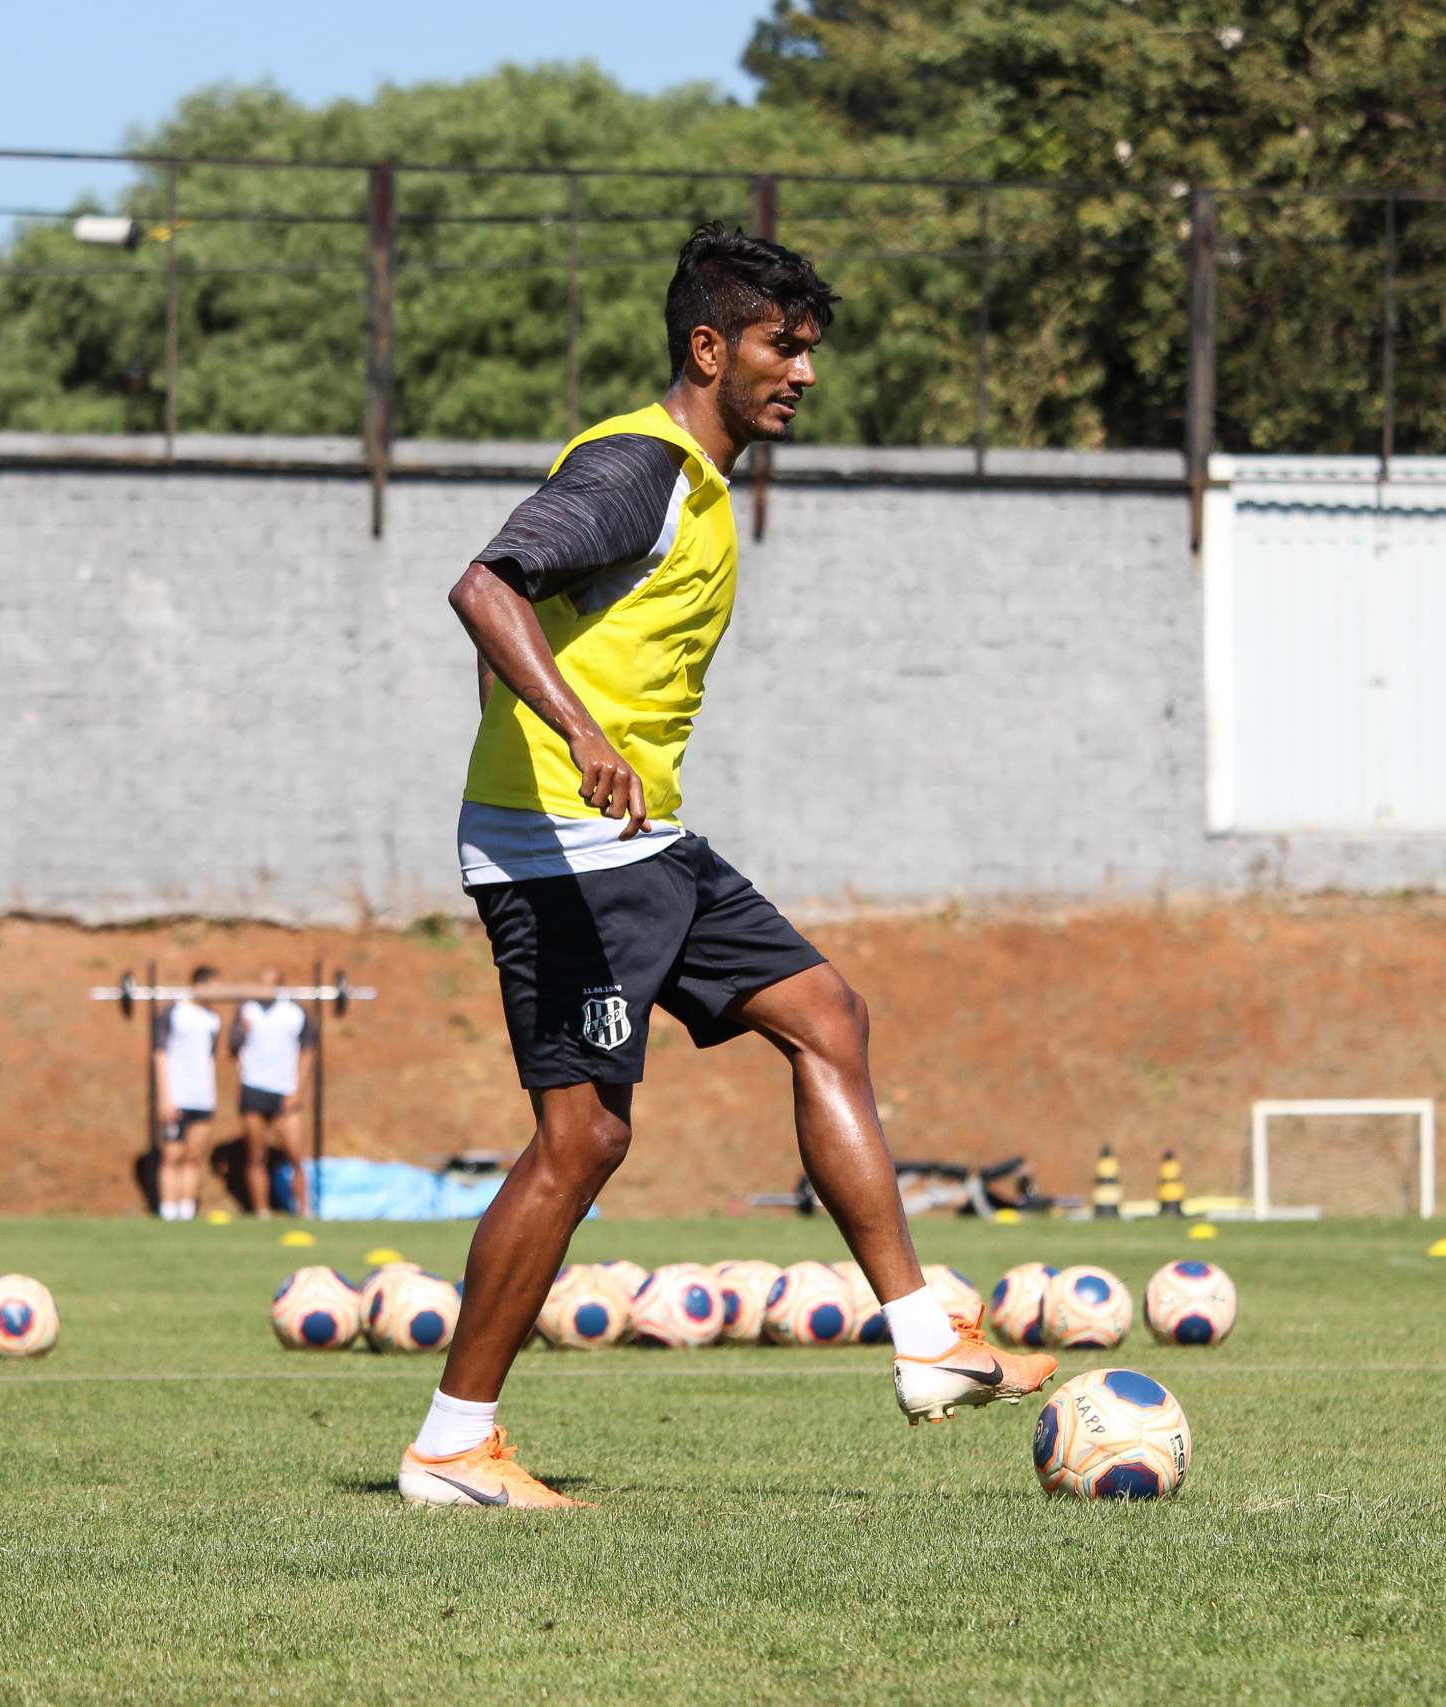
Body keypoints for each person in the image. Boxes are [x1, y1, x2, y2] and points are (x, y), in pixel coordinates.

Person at [399, 223, 1055, 1509]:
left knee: (825, 1015)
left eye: (809, 348)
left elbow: (530, 617)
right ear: (709, 348)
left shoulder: (700, 487)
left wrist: (557, 716)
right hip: (565, 856)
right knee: (579, 1145)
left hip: (644, 842)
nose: (803, 372)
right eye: (780, 346)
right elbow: (486, 586)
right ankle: (451, 1445)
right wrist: (577, 731)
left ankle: (925, 1339)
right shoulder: (638, 466)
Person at [229, 969, 313, 1219]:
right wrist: (240, 1033)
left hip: (285, 1089)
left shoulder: (295, 1012)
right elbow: (232, 1049)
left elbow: (308, 1051)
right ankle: (261, 1211)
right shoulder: (246, 1010)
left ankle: (304, 1209)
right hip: (254, 1088)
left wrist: (298, 1089)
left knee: (295, 1154)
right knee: (256, 1155)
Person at [153, 966, 224, 1221]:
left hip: (202, 1096)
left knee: (194, 1156)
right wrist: (165, 1096)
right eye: (214, 987)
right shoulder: (175, 1012)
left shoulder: (214, 1019)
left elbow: (211, 1057)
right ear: (198, 985)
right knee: (172, 1154)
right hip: (178, 1095)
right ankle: (168, 1211)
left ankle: (186, 1213)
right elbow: (160, 1054)